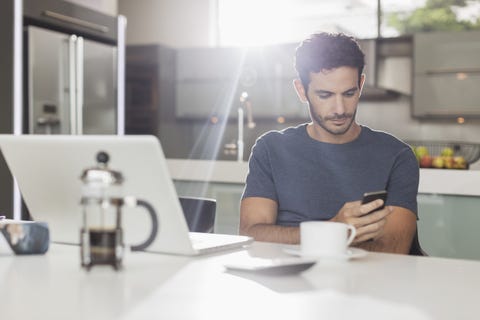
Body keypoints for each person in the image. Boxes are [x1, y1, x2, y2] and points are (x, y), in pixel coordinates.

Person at [239, 32, 419, 254]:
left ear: (361, 85)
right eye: (325, 95)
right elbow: (251, 234)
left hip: (365, 284)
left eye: (349, 93)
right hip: (288, 281)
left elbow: (393, 250)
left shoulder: (396, 156)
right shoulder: (271, 149)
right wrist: (332, 230)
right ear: (301, 90)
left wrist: (308, 237)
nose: (340, 109)